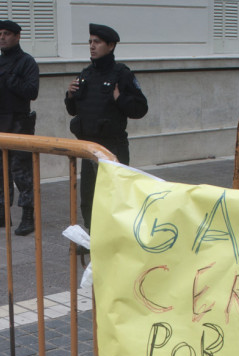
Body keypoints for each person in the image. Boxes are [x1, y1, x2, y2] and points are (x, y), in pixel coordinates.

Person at [65, 23, 148, 231]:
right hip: (89, 147)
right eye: (90, 42)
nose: (92, 46)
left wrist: (120, 99)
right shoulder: (85, 74)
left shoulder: (122, 74)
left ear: (110, 46)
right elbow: (73, 110)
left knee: (114, 198)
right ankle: (93, 237)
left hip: (113, 147)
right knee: (89, 198)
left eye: (97, 42)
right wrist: (69, 95)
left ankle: (115, 239)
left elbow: (140, 109)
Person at [0, 19, 40, 236]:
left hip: (18, 124)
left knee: (22, 174)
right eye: (0, 34)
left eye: (7, 34)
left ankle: (28, 217)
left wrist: (11, 81)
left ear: (17, 36)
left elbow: (32, 91)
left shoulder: (26, 62)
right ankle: (2, 214)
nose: (2, 37)